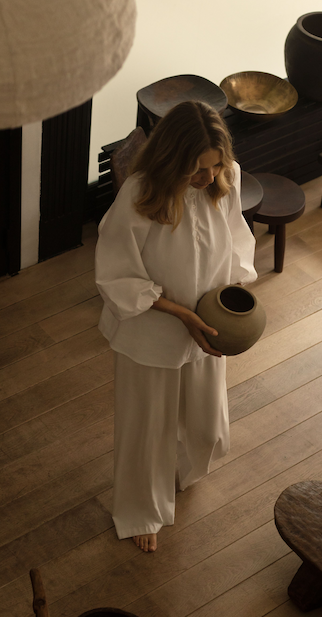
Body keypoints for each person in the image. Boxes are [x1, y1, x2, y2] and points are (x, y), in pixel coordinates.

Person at [95, 101, 257, 552]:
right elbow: (117, 275)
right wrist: (182, 314)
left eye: (214, 166)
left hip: (207, 324)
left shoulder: (225, 180)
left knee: (207, 428)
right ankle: (140, 508)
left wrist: (232, 298)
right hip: (152, 328)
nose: (207, 178)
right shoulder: (141, 196)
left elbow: (236, 243)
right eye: (197, 169)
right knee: (146, 427)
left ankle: (183, 470)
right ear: (173, 160)